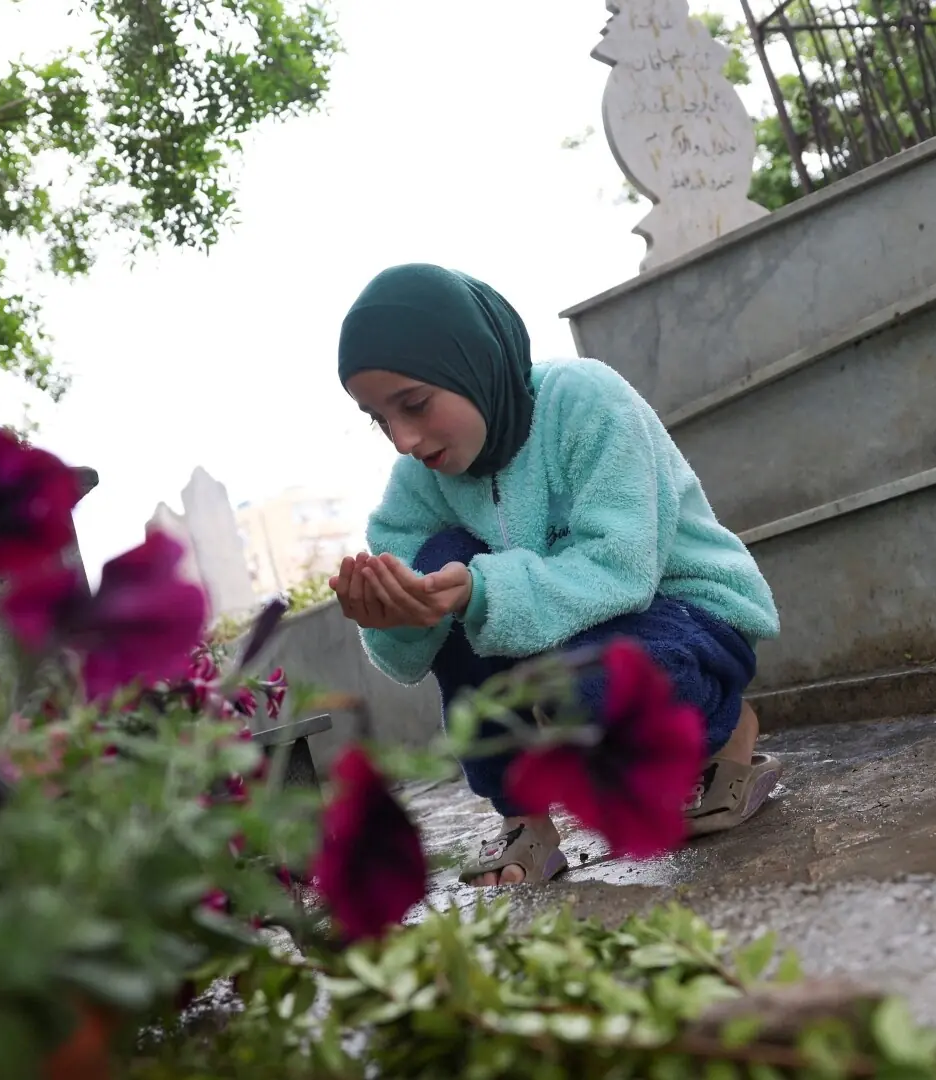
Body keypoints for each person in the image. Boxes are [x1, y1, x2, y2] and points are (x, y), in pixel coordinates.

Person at [328, 263, 782, 887]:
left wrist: (485, 588)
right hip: (561, 644)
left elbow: (623, 565)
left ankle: (723, 727)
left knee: (591, 687)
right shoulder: (418, 482)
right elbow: (410, 633)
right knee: (434, 565)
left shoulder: (583, 402)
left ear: (473, 364)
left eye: (414, 403)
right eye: (380, 419)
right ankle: (524, 819)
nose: (403, 438)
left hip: (685, 612)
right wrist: (398, 614)